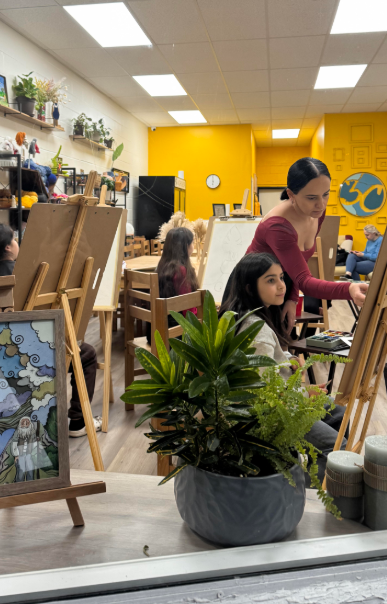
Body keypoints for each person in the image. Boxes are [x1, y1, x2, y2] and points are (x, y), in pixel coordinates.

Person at [219, 252, 346, 480]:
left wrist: (286, 359)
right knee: (337, 448)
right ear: (250, 288)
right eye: (271, 280)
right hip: (272, 414)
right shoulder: (257, 332)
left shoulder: (251, 316)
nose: (281, 285)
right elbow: (264, 395)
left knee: (341, 416)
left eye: (281, 277)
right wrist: (304, 394)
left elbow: (266, 362)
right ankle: (306, 494)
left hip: (281, 400)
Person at [0, 226, 101, 438]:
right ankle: (78, 421)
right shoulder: (22, 273)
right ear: (7, 247)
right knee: (85, 353)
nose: (17, 244)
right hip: (22, 354)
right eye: (14, 240)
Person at [247, 158, 368, 332]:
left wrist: (292, 298)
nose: (321, 204)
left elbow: (299, 264)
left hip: (279, 286)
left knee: (286, 343)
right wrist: (349, 288)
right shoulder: (278, 227)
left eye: (325, 194)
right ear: (291, 194)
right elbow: (304, 280)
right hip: (255, 294)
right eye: (311, 197)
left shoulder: (316, 212)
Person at [147, 227, 199, 344]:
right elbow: (188, 310)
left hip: (154, 333)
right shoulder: (181, 271)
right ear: (186, 246)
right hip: (175, 337)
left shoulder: (162, 266)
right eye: (192, 243)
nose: (193, 246)